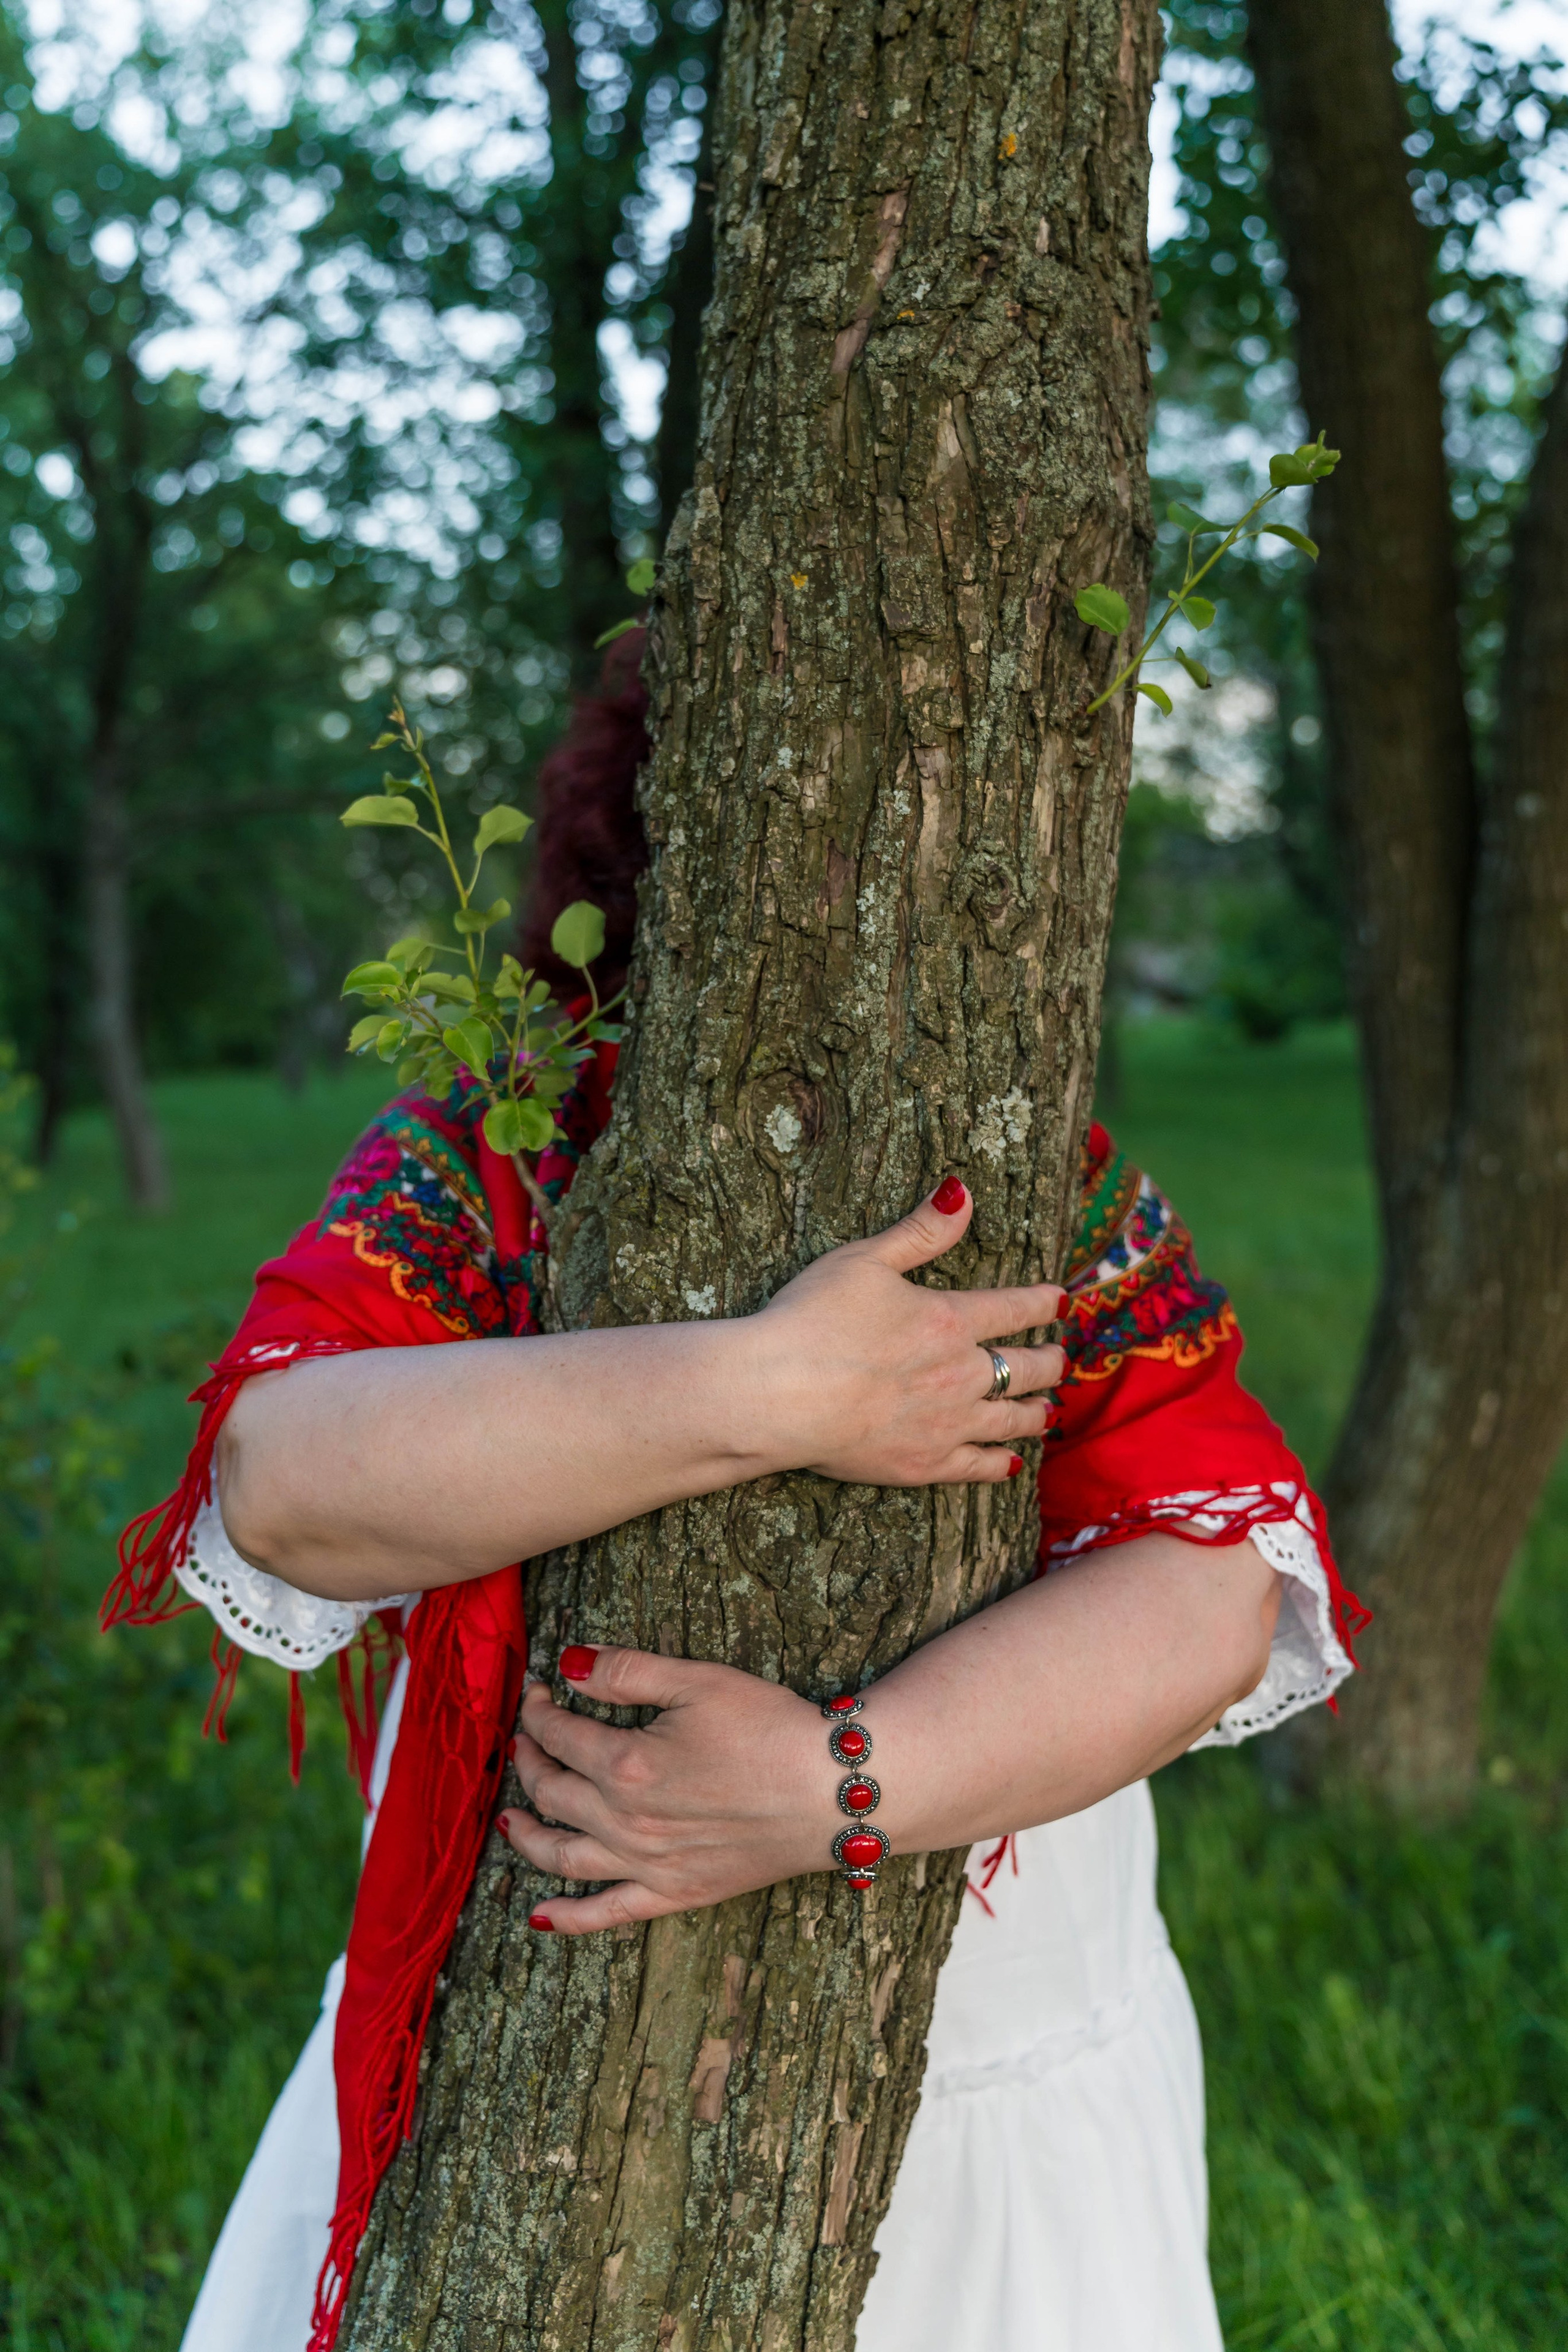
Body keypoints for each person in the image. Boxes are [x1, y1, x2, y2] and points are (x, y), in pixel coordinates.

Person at [107, 635, 1366, 2352]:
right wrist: (774, 1388)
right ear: (652, 850)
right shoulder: (515, 1135)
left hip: (982, 2042)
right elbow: (283, 1477)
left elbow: (1216, 1581)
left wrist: (836, 1783)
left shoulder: (1021, 1167)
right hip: (542, 2046)